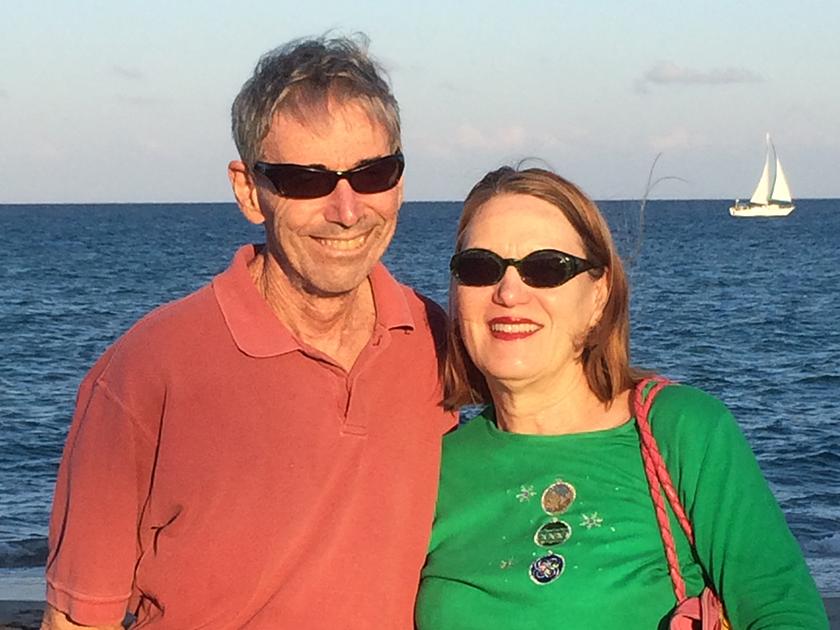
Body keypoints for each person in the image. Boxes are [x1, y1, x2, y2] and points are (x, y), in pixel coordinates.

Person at [42, 35, 453, 630]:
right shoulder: (148, 370)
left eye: (373, 173)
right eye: (306, 180)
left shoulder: (431, 338)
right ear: (247, 190)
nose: (346, 208)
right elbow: (76, 620)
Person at [415, 166, 828, 629]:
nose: (509, 292)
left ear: (599, 296)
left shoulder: (682, 430)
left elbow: (782, 610)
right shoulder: (433, 465)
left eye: (546, 268)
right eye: (480, 268)